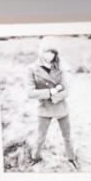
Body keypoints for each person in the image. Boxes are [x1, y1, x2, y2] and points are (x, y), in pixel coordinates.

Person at [27, 36, 78, 170]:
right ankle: (35, 158)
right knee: (40, 137)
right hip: (43, 108)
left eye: (52, 52)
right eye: (46, 52)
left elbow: (67, 90)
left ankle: (71, 158)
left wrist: (55, 97)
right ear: (41, 52)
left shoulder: (60, 67)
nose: (49, 55)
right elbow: (30, 93)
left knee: (67, 136)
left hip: (61, 106)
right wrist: (51, 92)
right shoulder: (32, 68)